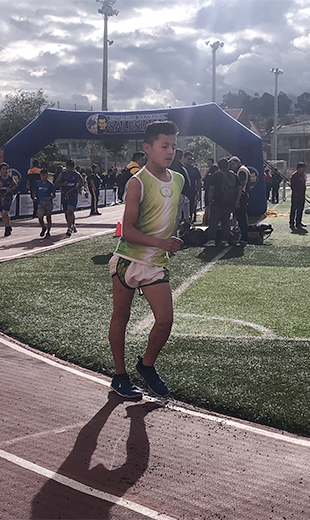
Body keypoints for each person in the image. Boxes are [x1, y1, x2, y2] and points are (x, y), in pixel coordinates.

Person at [108, 120, 183, 400]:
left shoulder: (179, 179)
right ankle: (120, 375)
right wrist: (162, 242)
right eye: (164, 146)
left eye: (174, 146)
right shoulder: (137, 182)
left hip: (156, 263)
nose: (170, 151)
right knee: (121, 317)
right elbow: (127, 231)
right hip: (128, 260)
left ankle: (146, 365)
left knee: (165, 320)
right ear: (147, 148)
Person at [204, 158, 240, 245]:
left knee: (213, 221)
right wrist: (237, 200)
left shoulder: (216, 175)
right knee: (226, 221)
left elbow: (211, 189)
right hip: (230, 202)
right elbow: (239, 188)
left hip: (218, 201)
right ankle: (225, 240)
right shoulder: (234, 175)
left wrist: (209, 200)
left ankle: (211, 240)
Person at [229, 156, 251, 243]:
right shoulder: (242, 169)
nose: (231, 166)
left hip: (241, 196)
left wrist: (237, 197)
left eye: (233, 163)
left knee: (241, 217)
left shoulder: (242, 170)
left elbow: (241, 185)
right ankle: (243, 235)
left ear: (238, 162)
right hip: (242, 195)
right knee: (240, 217)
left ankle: (244, 237)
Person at [57, 159, 80, 237]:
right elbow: (56, 183)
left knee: (70, 211)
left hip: (72, 195)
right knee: (67, 212)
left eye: (70, 168)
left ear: (73, 168)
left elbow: (81, 181)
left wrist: (78, 187)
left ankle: (69, 228)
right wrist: (62, 184)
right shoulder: (62, 174)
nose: (69, 169)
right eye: (67, 167)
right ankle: (72, 224)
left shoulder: (76, 174)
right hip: (64, 194)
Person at [0, 162, 18, 236]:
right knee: (4, 214)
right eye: (3, 169)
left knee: (5, 212)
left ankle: (7, 228)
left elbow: (15, 185)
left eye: (6, 169)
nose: (5, 171)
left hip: (7, 197)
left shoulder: (10, 178)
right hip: (0, 197)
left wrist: (10, 189)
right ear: (0, 170)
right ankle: (8, 226)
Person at [182, 151, 202, 223]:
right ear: (183, 159)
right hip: (181, 192)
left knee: (191, 208)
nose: (190, 161)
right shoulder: (180, 168)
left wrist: (199, 192)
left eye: (191, 159)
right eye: (188, 159)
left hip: (191, 192)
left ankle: (189, 222)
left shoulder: (194, 169)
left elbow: (198, 181)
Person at [36, 168, 56, 238]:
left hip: (48, 203)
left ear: (47, 176)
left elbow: (54, 195)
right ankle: (43, 227)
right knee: (40, 216)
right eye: (42, 175)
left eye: (44, 175)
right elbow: (34, 190)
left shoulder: (50, 185)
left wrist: (49, 198)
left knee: (48, 217)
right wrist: (34, 197)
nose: (43, 177)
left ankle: (48, 232)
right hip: (41, 203)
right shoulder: (38, 183)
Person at [289, 162, 307, 229]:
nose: (304, 170)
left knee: (300, 209)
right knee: (294, 209)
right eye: (303, 168)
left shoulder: (303, 175)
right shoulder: (294, 176)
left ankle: (298, 222)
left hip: (302, 194)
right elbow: (293, 185)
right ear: (299, 168)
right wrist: (296, 192)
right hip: (296, 195)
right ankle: (291, 223)